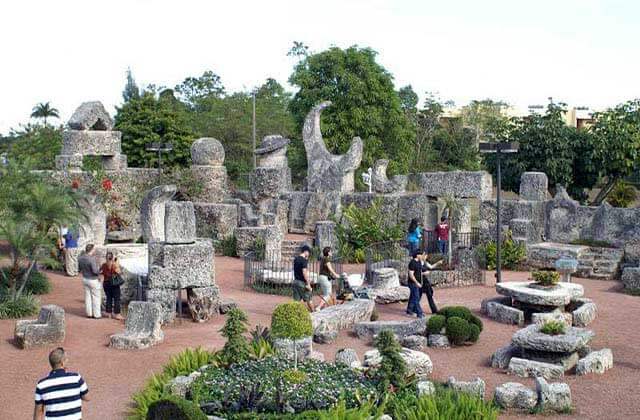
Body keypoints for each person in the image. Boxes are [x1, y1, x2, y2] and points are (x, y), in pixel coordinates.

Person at [34, 347, 89, 420]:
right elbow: (87, 397)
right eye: (66, 359)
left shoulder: (41, 385)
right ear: (62, 363)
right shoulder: (76, 378)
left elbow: (39, 411)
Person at [407, 250, 442, 317]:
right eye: (423, 255)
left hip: (421, 282)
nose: (425, 256)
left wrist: (438, 263)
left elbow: (430, 267)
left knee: (414, 296)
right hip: (415, 282)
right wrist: (418, 281)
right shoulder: (413, 263)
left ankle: (410, 309)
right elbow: (411, 274)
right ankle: (419, 313)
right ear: (418, 255)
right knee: (416, 297)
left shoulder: (420, 262)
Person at [77, 244, 102, 319]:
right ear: (91, 250)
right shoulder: (91, 259)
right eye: (94, 249)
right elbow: (95, 271)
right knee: (96, 297)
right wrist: (100, 271)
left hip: (85, 278)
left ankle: (89, 313)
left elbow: (79, 269)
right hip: (93, 279)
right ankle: (97, 314)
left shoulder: (80, 258)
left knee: (87, 297)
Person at [101, 252, 123, 320]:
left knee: (109, 298)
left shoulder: (104, 265)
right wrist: (117, 263)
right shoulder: (114, 265)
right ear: (112, 258)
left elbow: (101, 271)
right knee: (117, 299)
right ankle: (117, 314)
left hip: (106, 283)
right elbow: (119, 272)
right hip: (114, 284)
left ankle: (109, 313)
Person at [293, 245, 315, 312]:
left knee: (297, 300)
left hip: (296, 281)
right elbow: (304, 272)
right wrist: (308, 284)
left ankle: (296, 314)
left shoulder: (296, 259)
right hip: (302, 283)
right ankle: (314, 313)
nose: (309, 254)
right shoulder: (304, 260)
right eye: (308, 252)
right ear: (306, 251)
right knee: (309, 299)